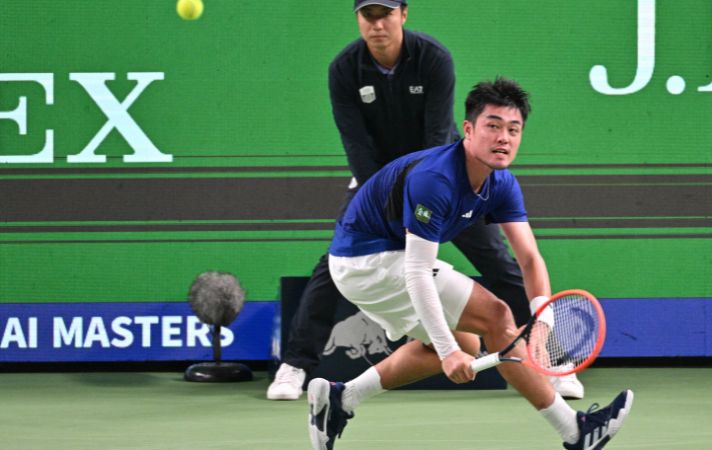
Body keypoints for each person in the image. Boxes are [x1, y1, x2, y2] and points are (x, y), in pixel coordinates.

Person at [267, 0, 583, 401]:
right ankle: (295, 366)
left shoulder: (432, 59)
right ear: (358, 19)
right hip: (377, 183)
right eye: (369, 15)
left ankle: (550, 357)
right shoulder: (344, 69)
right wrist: (389, 200)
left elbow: (438, 135)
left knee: (499, 262)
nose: (378, 24)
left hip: (446, 178)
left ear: (403, 14)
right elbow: (356, 144)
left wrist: (433, 194)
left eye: (386, 14)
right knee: (332, 265)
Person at [307, 78, 633, 450]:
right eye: (492, 126)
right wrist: (449, 356)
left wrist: (542, 320)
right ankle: (575, 431)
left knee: (467, 339)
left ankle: (340, 400)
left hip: (381, 259)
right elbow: (416, 271)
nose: (503, 138)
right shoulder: (436, 180)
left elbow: (529, 257)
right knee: (495, 317)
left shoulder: (502, 183)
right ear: (468, 129)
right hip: (365, 260)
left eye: (514, 129)